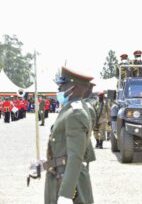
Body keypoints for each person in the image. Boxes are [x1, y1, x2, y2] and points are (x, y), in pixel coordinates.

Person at [44, 66, 95, 204]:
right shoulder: (72, 109)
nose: (59, 90)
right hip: (61, 174)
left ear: (73, 87)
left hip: (68, 179)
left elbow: (76, 155)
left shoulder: (75, 113)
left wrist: (66, 194)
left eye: (62, 85)